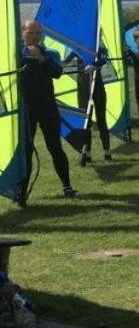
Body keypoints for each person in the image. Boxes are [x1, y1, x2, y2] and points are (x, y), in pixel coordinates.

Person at [19, 20, 76, 199]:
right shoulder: (16, 54)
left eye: (37, 33)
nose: (34, 37)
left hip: (48, 108)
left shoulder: (51, 53)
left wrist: (40, 58)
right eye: (30, 33)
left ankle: (67, 187)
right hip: (27, 109)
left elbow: (57, 73)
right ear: (23, 33)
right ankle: (22, 192)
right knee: (26, 150)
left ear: (42, 35)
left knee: (55, 147)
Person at [78, 45, 112, 164]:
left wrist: (94, 65)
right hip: (83, 90)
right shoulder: (79, 46)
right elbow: (65, 61)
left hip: (98, 89)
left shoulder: (101, 49)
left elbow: (104, 59)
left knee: (101, 119)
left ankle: (107, 154)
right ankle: (87, 154)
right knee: (86, 123)